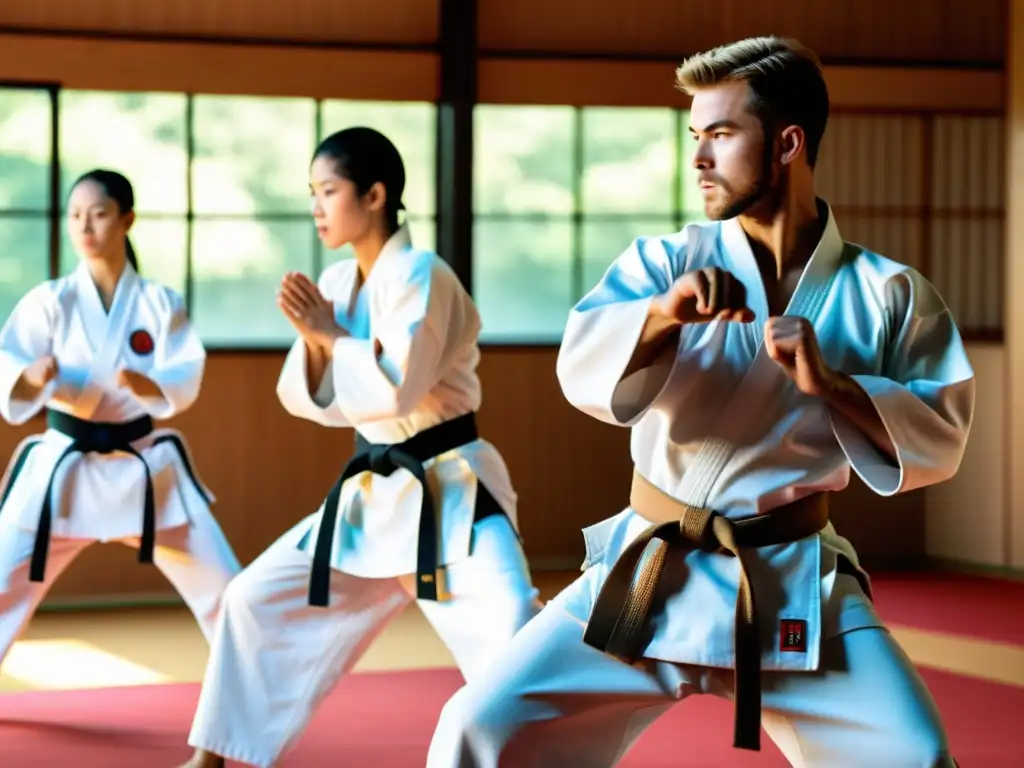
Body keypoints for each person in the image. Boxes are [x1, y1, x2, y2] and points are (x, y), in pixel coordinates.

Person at [425, 36, 973, 768]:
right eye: (694, 136)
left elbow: (940, 436)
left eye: (719, 134)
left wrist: (830, 383)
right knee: (478, 727)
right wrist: (660, 316)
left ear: (787, 143)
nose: (698, 159)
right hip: (651, 573)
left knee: (915, 751)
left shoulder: (887, 294)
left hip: (790, 577)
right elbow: (581, 370)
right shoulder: (667, 262)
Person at [178, 127, 541, 768]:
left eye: (328, 191)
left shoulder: (426, 274)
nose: (316, 207)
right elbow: (316, 400)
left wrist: (328, 334)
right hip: (371, 496)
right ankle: (211, 758)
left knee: (513, 623)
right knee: (253, 597)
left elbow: (396, 391)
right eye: (312, 193)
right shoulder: (341, 278)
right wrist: (323, 339)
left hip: (447, 490)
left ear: (374, 195)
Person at [0, 169, 242, 662]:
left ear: (127, 219)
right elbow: (10, 365)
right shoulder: (51, 300)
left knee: (228, 592)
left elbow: (183, 372)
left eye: (99, 214)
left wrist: (149, 385)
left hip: (143, 467)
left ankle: (249, 700)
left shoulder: (158, 302)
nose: (85, 227)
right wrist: (29, 378)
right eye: (75, 216)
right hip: (63, 468)